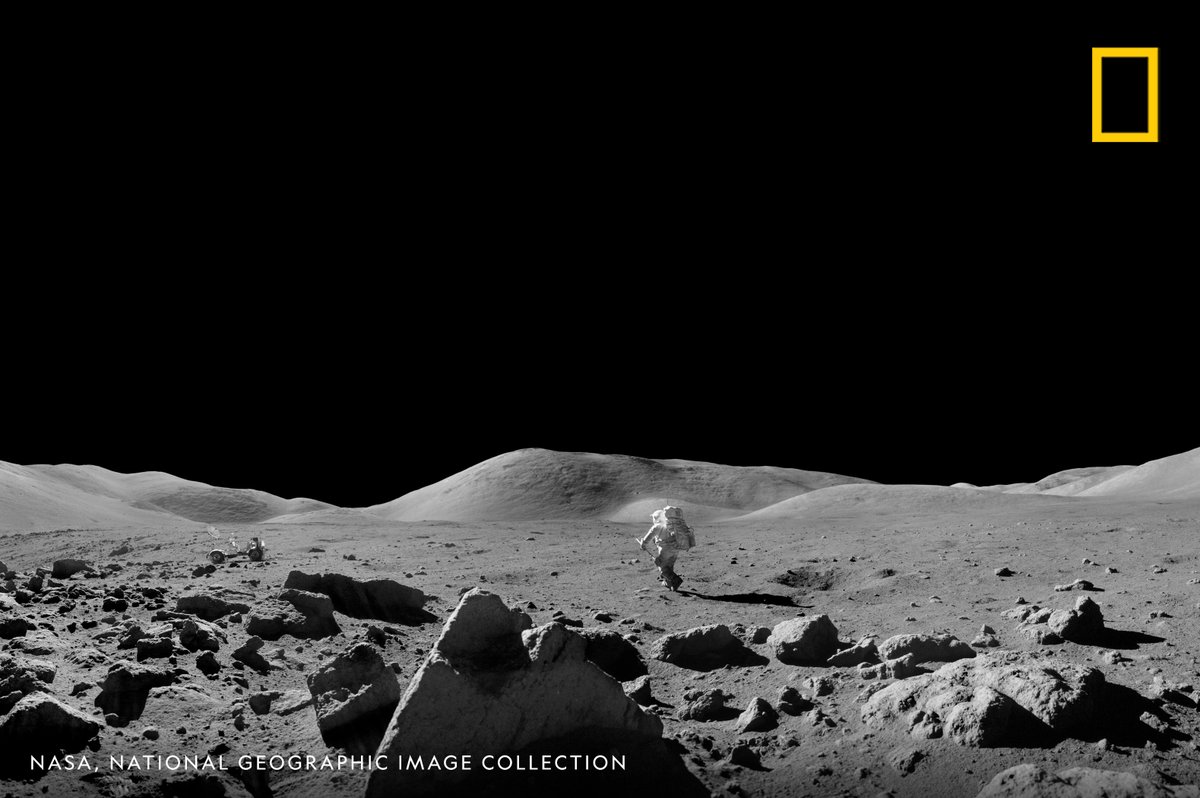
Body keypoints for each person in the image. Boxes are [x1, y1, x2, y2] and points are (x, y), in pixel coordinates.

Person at [637, 506, 696, 591]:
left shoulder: (657, 526)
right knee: (669, 566)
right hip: (675, 549)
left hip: (666, 550)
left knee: (662, 567)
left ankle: (676, 580)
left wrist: (643, 544)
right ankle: (669, 583)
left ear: (655, 518)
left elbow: (648, 537)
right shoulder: (668, 525)